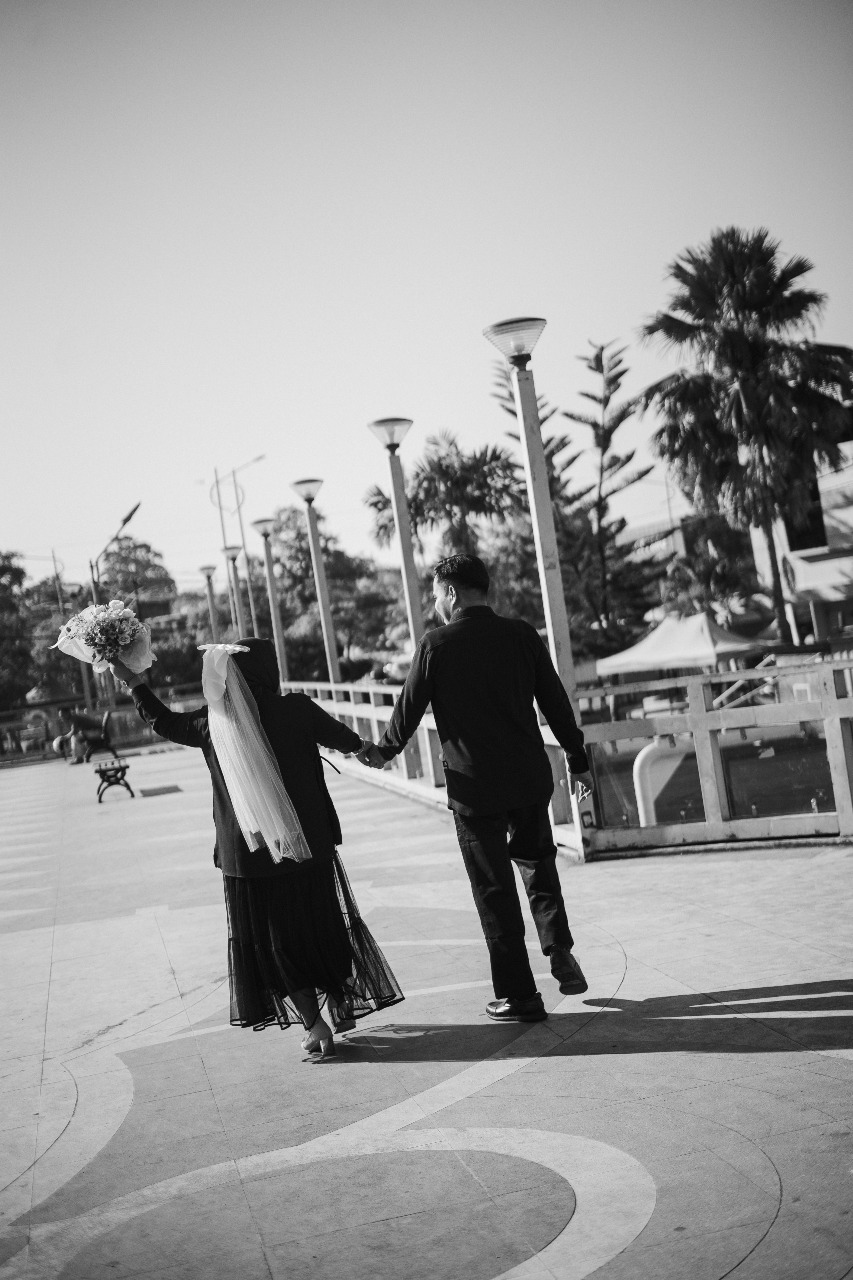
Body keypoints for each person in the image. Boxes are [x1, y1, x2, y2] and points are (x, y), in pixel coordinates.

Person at [109, 638, 402, 1060]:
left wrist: (135, 683)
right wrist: (366, 750)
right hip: (308, 844)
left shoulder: (213, 722)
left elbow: (164, 722)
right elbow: (344, 738)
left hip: (251, 856)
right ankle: (340, 999)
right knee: (322, 921)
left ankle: (315, 1025)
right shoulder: (296, 708)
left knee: (275, 939)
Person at [357, 554, 594, 1024]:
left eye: (436, 597)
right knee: (538, 865)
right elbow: (555, 702)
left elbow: (408, 710)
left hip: (474, 788)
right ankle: (558, 947)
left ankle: (520, 995)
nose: (436, 606)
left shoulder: (436, 645)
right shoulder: (522, 635)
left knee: (493, 889)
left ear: (451, 593)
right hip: (527, 777)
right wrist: (578, 759)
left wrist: (383, 752)